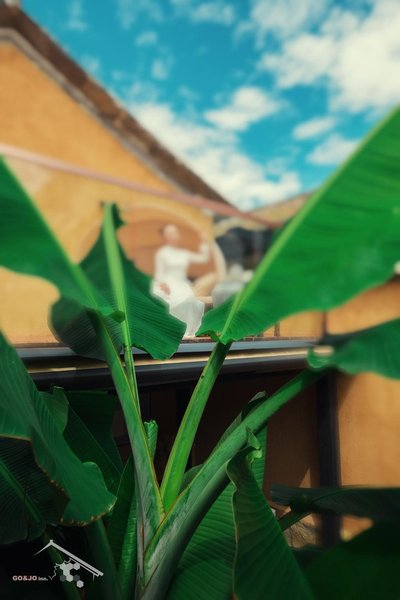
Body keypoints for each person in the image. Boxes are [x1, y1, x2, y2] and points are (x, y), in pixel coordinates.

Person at [152, 224, 210, 336]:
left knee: (188, 298)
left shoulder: (183, 253)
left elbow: (203, 259)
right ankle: (169, 329)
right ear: (164, 237)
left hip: (181, 284)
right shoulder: (162, 253)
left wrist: (204, 242)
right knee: (160, 297)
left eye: (174, 233)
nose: (173, 236)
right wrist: (163, 283)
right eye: (169, 234)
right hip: (166, 283)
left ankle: (186, 329)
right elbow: (159, 272)